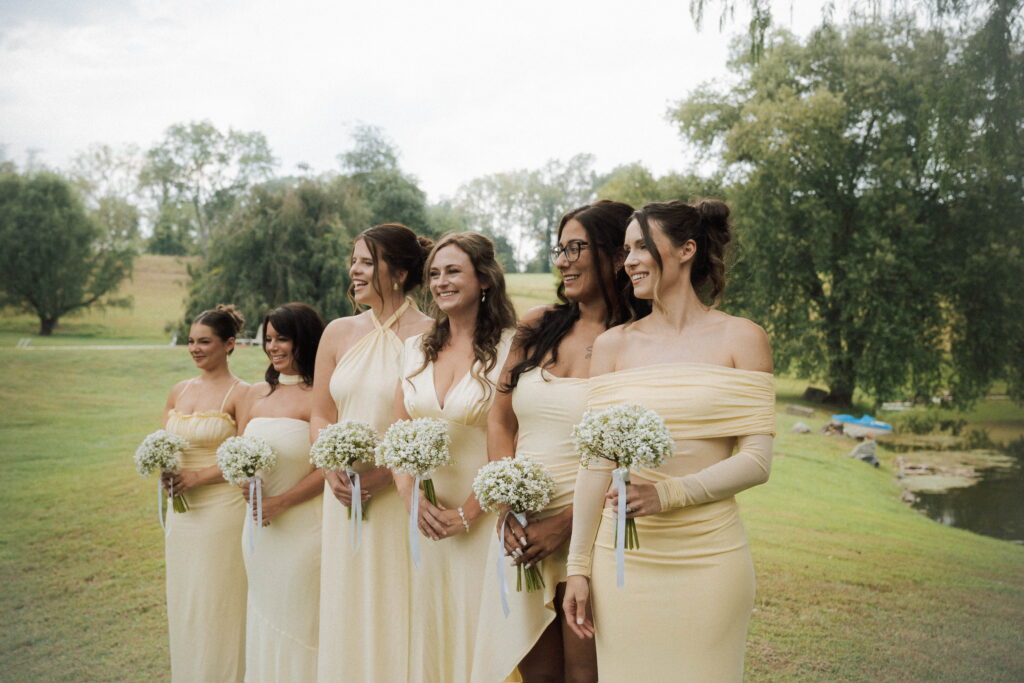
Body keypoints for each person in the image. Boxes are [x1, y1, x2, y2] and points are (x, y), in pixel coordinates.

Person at [562, 200, 776, 682]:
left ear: (686, 250)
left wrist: (669, 493)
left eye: (642, 246)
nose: (629, 260)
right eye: (625, 250)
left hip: (711, 560)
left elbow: (758, 460)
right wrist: (578, 566)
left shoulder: (742, 339)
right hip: (624, 565)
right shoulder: (614, 346)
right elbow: (594, 465)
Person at [472, 200, 645, 683]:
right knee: (535, 674)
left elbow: (631, 450)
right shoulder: (538, 323)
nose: (563, 260)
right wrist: (508, 503)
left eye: (577, 248)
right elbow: (500, 420)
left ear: (616, 256)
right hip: (523, 528)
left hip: (592, 529)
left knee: (584, 676)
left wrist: (567, 528)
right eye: (560, 248)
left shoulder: (638, 339)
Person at [310, 224, 433, 683]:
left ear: (398, 272)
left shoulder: (432, 335)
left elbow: (433, 419)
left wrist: (386, 475)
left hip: (401, 494)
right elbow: (320, 412)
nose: (354, 270)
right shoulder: (337, 332)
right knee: (347, 602)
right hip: (343, 497)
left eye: (366, 261)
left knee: (401, 599)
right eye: (354, 261)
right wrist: (328, 465)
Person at [392, 232, 516, 683]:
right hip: (427, 524)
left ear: (484, 279)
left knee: (484, 636)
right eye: (435, 273)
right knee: (433, 634)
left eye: (453, 271)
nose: (442, 281)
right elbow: (398, 433)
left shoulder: (512, 348)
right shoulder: (413, 350)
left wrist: (469, 512)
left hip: (485, 520)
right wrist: (411, 501)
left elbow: (516, 438)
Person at [236, 302, 326, 682]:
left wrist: (281, 502)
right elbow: (239, 451)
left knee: (300, 620)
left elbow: (329, 467)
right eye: (268, 338)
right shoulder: (257, 396)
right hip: (258, 530)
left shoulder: (320, 397)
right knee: (263, 611)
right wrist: (243, 478)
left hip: (304, 530)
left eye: (282, 338)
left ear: (304, 340)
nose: (273, 347)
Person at [160, 304, 249, 682]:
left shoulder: (242, 393)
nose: (195, 349)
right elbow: (162, 441)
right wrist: (164, 469)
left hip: (222, 510)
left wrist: (197, 478)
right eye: (192, 342)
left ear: (229, 345)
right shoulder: (178, 390)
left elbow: (246, 457)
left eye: (205, 342)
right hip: (184, 514)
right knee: (187, 599)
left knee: (218, 598)